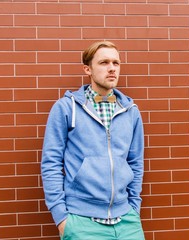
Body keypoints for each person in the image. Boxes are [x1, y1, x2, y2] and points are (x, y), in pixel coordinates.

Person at [41, 41, 145, 239]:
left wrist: (134, 207)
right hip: (82, 221)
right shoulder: (66, 108)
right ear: (87, 69)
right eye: (104, 62)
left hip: (127, 221)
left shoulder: (131, 111)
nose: (112, 68)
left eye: (116, 63)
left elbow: (135, 162)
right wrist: (62, 218)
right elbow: (51, 163)